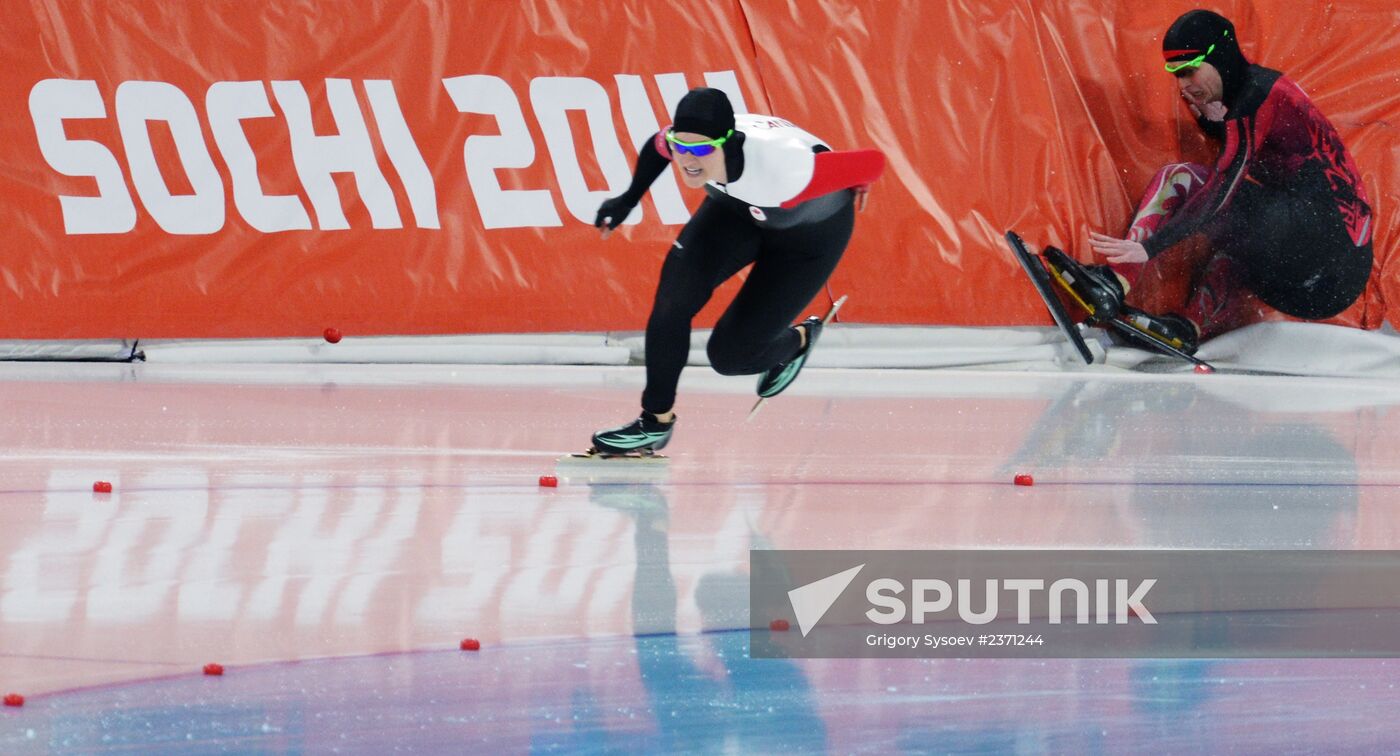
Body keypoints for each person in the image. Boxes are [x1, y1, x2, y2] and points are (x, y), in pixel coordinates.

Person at [587, 88, 883, 455]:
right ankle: (654, 422)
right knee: (671, 303)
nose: (688, 161)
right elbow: (658, 144)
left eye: (701, 151)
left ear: (728, 143)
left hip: (807, 237)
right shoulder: (683, 142)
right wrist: (628, 199)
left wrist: (858, 179)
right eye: (682, 147)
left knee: (729, 358)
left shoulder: (785, 170)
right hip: (738, 212)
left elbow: (874, 161)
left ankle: (798, 342)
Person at [1060, 9, 1374, 354]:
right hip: (1323, 289)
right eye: (1176, 76)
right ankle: (1187, 327)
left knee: (1180, 178)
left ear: (1220, 56)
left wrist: (1146, 249)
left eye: (1189, 71)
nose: (1182, 85)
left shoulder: (1260, 93)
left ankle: (1115, 281)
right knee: (1235, 248)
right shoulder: (1251, 93)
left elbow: (1222, 189)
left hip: (1327, 248)